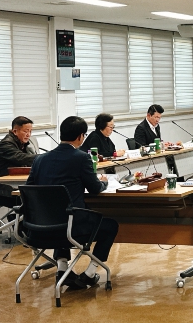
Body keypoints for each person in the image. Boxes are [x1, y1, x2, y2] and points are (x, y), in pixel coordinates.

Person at [26, 116, 119, 290]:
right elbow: (94, 188)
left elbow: (29, 189)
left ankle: (62, 269)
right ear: (80, 136)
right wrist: (104, 182)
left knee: (59, 213)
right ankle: (89, 274)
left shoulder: (39, 160)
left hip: (40, 227)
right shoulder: (81, 158)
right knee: (110, 226)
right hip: (73, 228)